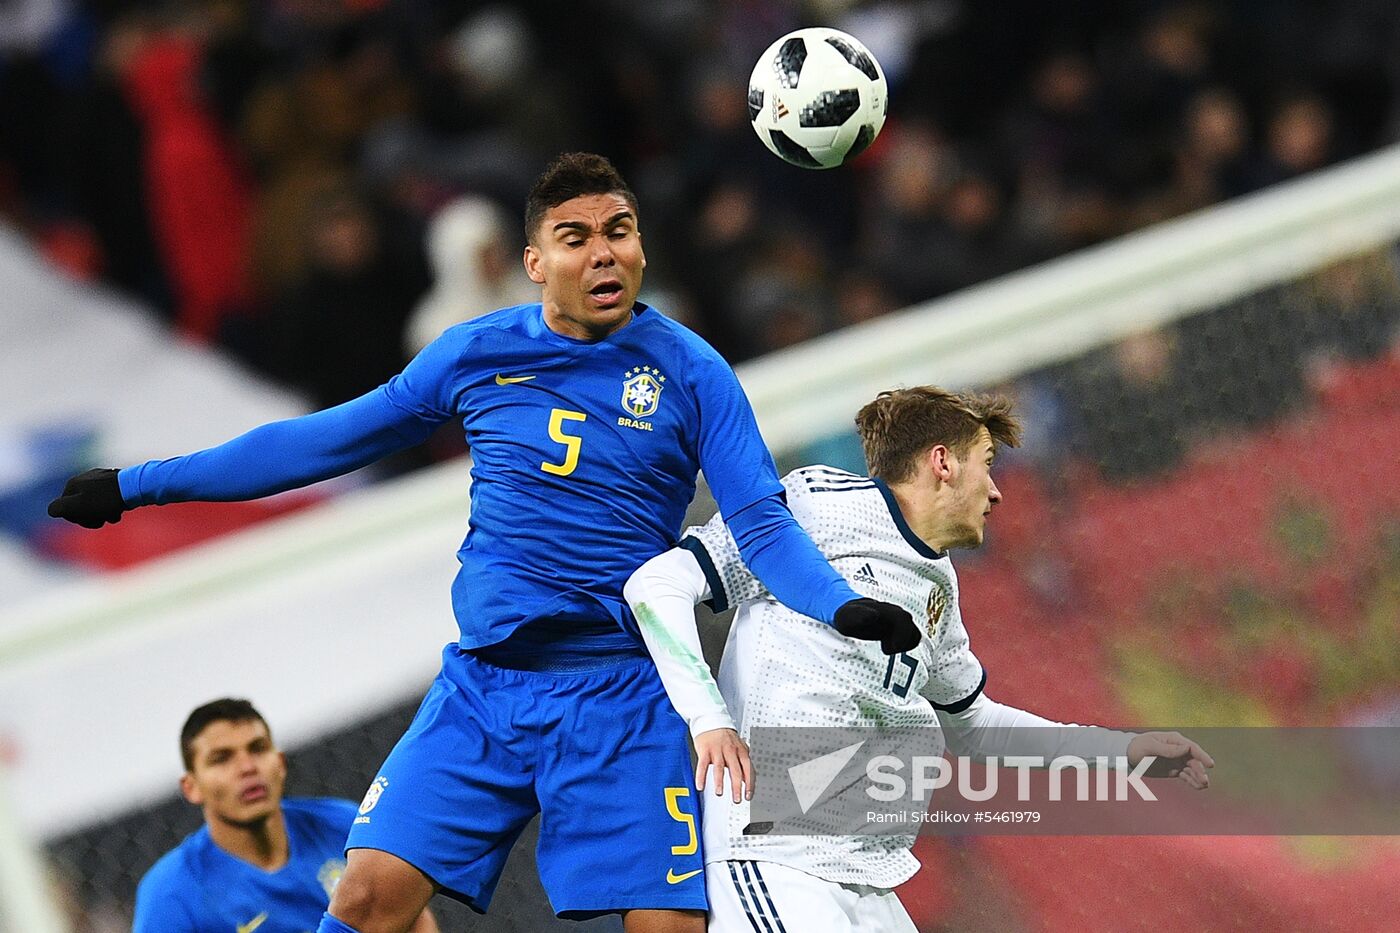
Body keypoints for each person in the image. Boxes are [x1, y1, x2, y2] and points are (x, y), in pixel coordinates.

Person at [48, 153, 918, 933]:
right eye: (576, 238)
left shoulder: (693, 372)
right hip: (485, 688)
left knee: (669, 929)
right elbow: (322, 441)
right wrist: (137, 484)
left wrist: (841, 605)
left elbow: (761, 521)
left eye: (619, 231)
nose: (603, 253)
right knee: (365, 899)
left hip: (622, 692)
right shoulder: (476, 353)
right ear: (534, 263)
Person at [624, 386, 1214, 932]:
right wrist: (709, 720)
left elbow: (976, 728)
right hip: (775, 856)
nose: (997, 491)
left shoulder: (938, 587)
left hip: (865, 874)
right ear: (942, 462)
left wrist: (1123, 752)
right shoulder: (813, 506)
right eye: (987, 464)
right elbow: (656, 586)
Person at [133, 698, 437, 933]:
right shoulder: (171, 893)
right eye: (221, 759)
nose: (247, 768)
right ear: (191, 787)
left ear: (279, 763)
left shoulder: (345, 826)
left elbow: (414, 919)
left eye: (257, 749)